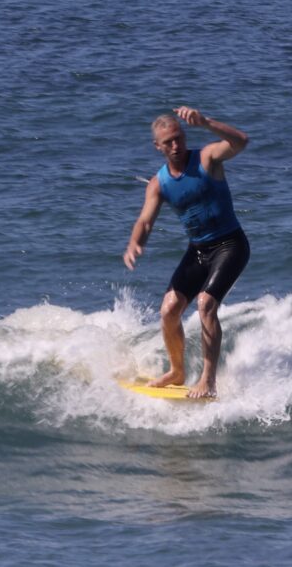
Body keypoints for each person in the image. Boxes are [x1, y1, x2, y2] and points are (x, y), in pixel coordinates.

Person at [123, 106, 250, 398]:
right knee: (168, 311)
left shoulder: (206, 159)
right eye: (168, 142)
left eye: (179, 138)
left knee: (206, 304)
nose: (176, 145)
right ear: (158, 146)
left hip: (231, 244)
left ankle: (208, 380)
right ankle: (177, 371)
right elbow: (145, 220)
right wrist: (135, 243)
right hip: (198, 251)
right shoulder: (159, 184)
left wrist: (206, 122)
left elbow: (241, 141)